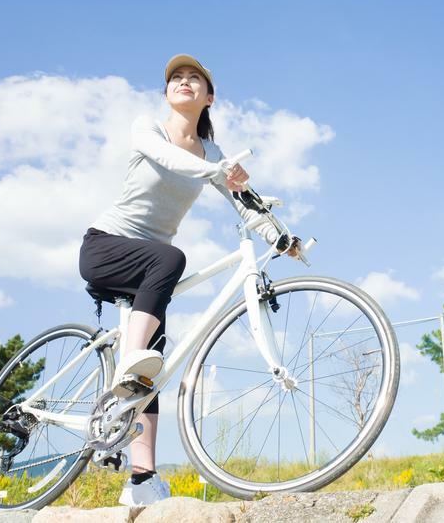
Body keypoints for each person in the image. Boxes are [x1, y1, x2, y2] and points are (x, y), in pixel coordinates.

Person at [78, 53, 300, 506]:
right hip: (105, 246)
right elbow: (167, 158)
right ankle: (129, 361)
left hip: (147, 264)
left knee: (151, 369)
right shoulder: (149, 128)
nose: (183, 82)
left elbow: (246, 203)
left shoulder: (212, 153)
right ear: (166, 94)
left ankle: (142, 479)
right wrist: (217, 172)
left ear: (209, 96)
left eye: (193, 78)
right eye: (175, 78)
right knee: (171, 260)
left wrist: (282, 238)